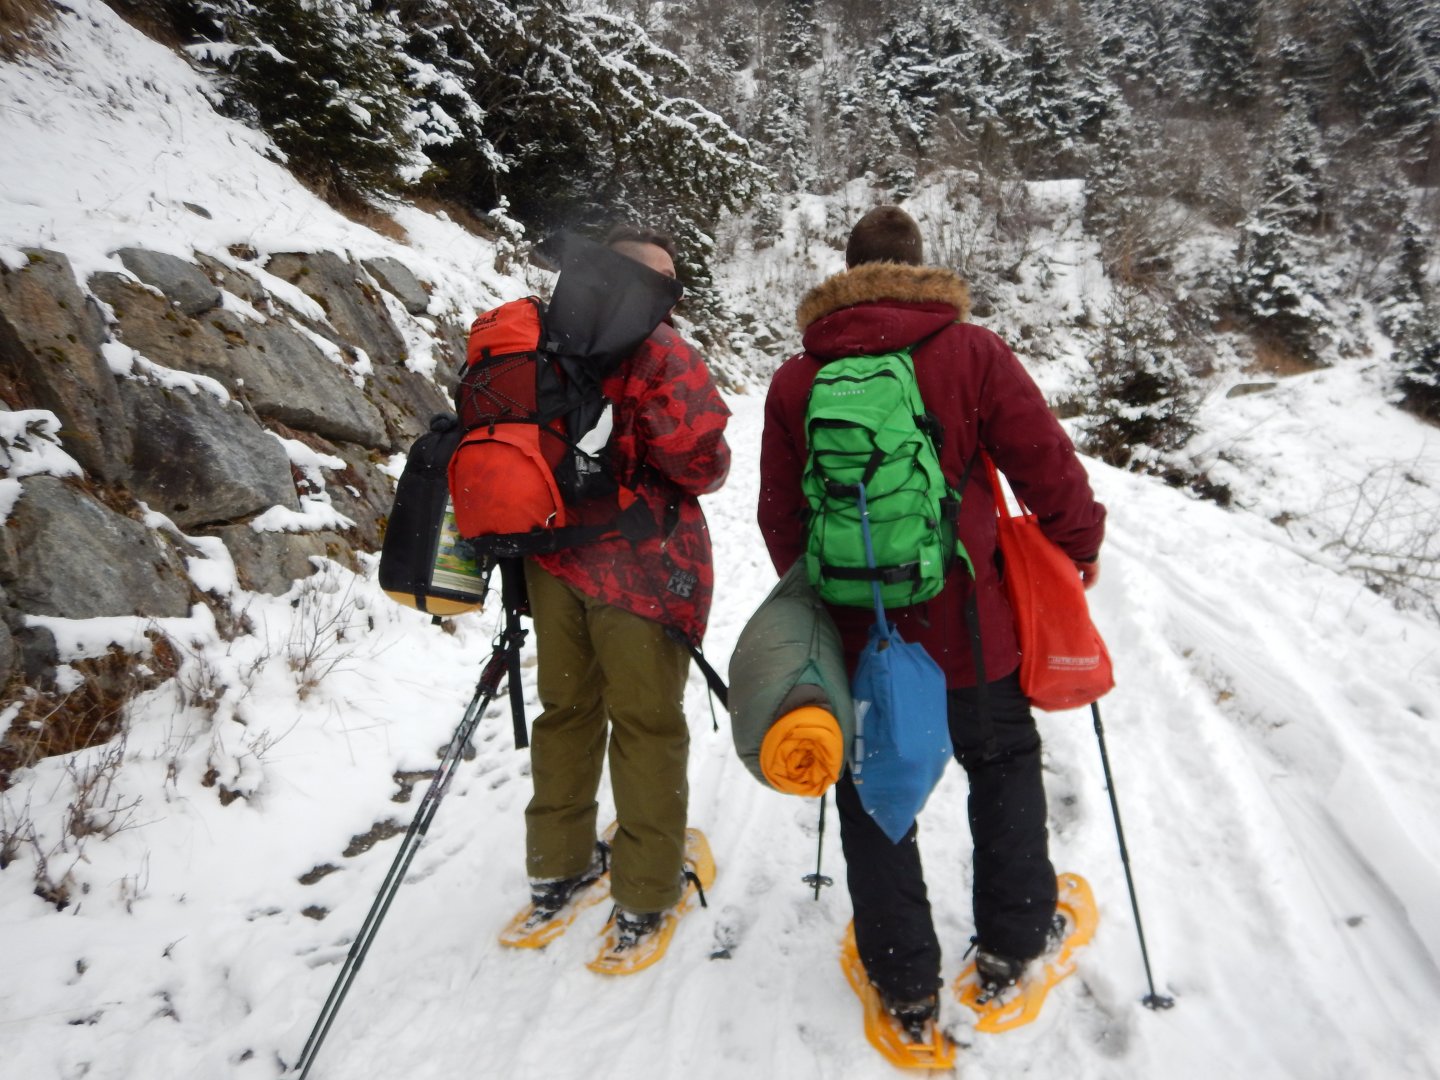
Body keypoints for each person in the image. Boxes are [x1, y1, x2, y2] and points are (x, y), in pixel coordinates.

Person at [757, 206, 1105, 1026]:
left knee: (874, 786)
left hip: (859, 628)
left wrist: (834, 597)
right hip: (970, 624)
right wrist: (1079, 545)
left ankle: (904, 980)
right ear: (922, 268)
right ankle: (1014, 942)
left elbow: (781, 518)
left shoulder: (798, 376)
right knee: (1004, 762)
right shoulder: (972, 351)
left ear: (843, 275)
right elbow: (1046, 465)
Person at [521, 224, 731, 951]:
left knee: (567, 712)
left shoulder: (538, 332)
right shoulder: (663, 350)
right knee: (646, 726)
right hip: (638, 571)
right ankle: (644, 893)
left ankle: (558, 867)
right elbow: (699, 466)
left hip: (547, 560)